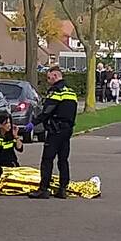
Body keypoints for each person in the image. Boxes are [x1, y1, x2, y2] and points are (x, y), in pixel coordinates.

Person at [28, 66, 78, 200]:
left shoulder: (55, 91)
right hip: (67, 130)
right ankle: (63, 189)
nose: (48, 80)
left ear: (55, 76)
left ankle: (44, 189)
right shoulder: (71, 92)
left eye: (49, 78)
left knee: (47, 159)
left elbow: (47, 111)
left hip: (55, 130)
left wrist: (33, 123)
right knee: (63, 160)